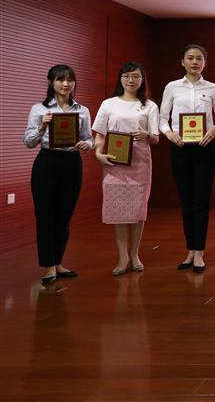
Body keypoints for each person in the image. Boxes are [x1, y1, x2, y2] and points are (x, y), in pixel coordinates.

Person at [159, 44, 215, 274]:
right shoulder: (172, 87)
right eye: (190, 58)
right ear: (182, 61)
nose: (195, 62)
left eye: (199, 58)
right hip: (179, 147)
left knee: (201, 200)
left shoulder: (213, 88)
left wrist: (214, 129)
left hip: (204, 148)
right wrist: (169, 134)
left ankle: (199, 251)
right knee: (186, 199)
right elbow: (162, 118)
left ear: (204, 62)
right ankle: (190, 249)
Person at [24, 65, 94, 284]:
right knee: (45, 215)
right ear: (51, 82)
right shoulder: (38, 109)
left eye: (70, 80)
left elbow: (89, 139)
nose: (66, 84)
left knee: (64, 216)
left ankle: (58, 262)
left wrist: (87, 144)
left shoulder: (82, 110)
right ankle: (48, 266)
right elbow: (28, 142)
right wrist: (42, 127)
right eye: (60, 80)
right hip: (47, 162)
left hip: (72, 163)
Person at [92, 61, 160, 275]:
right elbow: (99, 134)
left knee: (138, 209)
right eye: (127, 76)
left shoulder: (149, 106)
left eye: (136, 76)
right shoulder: (108, 104)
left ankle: (135, 254)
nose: (131, 80)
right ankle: (122, 257)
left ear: (142, 79)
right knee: (118, 209)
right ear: (121, 79)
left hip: (140, 161)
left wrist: (146, 134)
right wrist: (98, 153)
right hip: (115, 161)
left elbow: (156, 137)